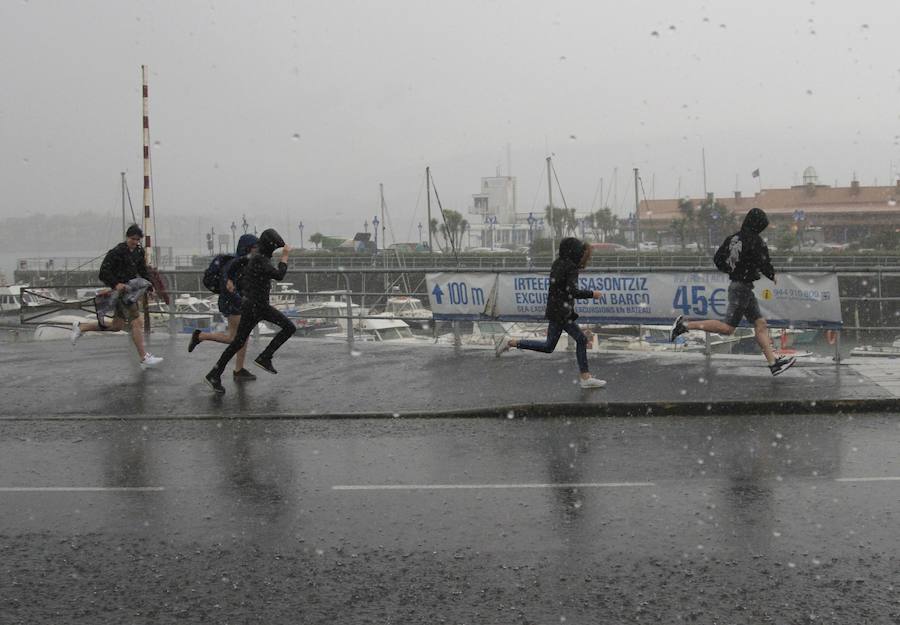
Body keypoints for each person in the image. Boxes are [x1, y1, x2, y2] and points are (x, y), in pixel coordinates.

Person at [669, 207, 795, 376]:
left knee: (760, 324)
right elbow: (763, 261)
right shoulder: (755, 240)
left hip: (741, 286)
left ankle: (773, 364)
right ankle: (684, 326)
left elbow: (718, 259)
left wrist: (732, 270)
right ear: (758, 224)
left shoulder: (733, 238)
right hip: (741, 288)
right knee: (728, 328)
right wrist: (772, 275)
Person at [495, 237, 606, 389]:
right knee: (580, 340)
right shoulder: (571, 267)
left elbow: (561, 289)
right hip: (562, 312)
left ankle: (510, 342)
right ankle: (585, 377)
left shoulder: (557, 263)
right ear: (575, 252)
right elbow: (573, 291)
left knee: (549, 346)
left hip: (555, 309)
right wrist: (593, 294)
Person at [205, 228, 296, 394]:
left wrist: (230, 280)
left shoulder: (256, 258)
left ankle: (214, 374)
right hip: (259, 306)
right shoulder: (260, 259)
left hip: (250, 306)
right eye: (274, 248)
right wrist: (285, 256)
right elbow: (279, 275)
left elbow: (236, 266)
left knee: (237, 342)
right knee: (289, 328)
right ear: (269, 246)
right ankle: (265, 357)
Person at [70, 224, 163, 369]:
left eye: (137, 239)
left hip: (130, 291)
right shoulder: (116, 252)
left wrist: (150, 287)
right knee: (137, 322)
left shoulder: (139, 251)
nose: (135, 242)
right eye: (132, 239)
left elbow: (142, 270)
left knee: (116, 326)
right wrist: (115, 284)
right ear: (127, 237)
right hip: (121, 293)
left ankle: (82, 327)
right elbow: (103, 272)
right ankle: (144, 357)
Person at [188, 233, 259, 382]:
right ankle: (200, 336)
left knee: (243, 336)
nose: (256, 250)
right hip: (233, 304)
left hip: (238, 303)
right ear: (247, 248)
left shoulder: (244, 262)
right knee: (234, 338)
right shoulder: (235, 264)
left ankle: (239, 369)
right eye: (254, 247)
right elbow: (230, 287)